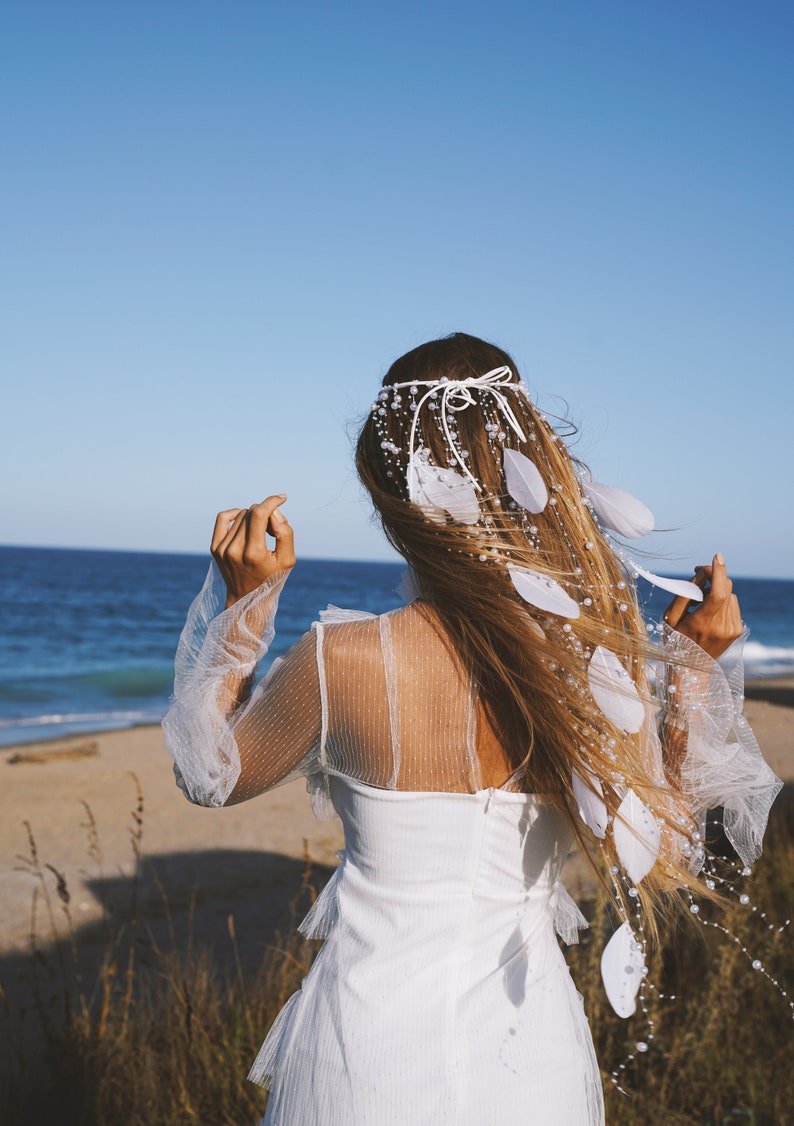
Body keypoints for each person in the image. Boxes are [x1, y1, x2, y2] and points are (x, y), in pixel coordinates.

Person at [163, 332, 781, 1124]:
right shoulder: (591, 671)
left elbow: (210, 775)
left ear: (393, 496)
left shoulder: (339, 661)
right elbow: (663, 847)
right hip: (528, 1065)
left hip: (363, 1059)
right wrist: (691, 672)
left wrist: (245, 606)